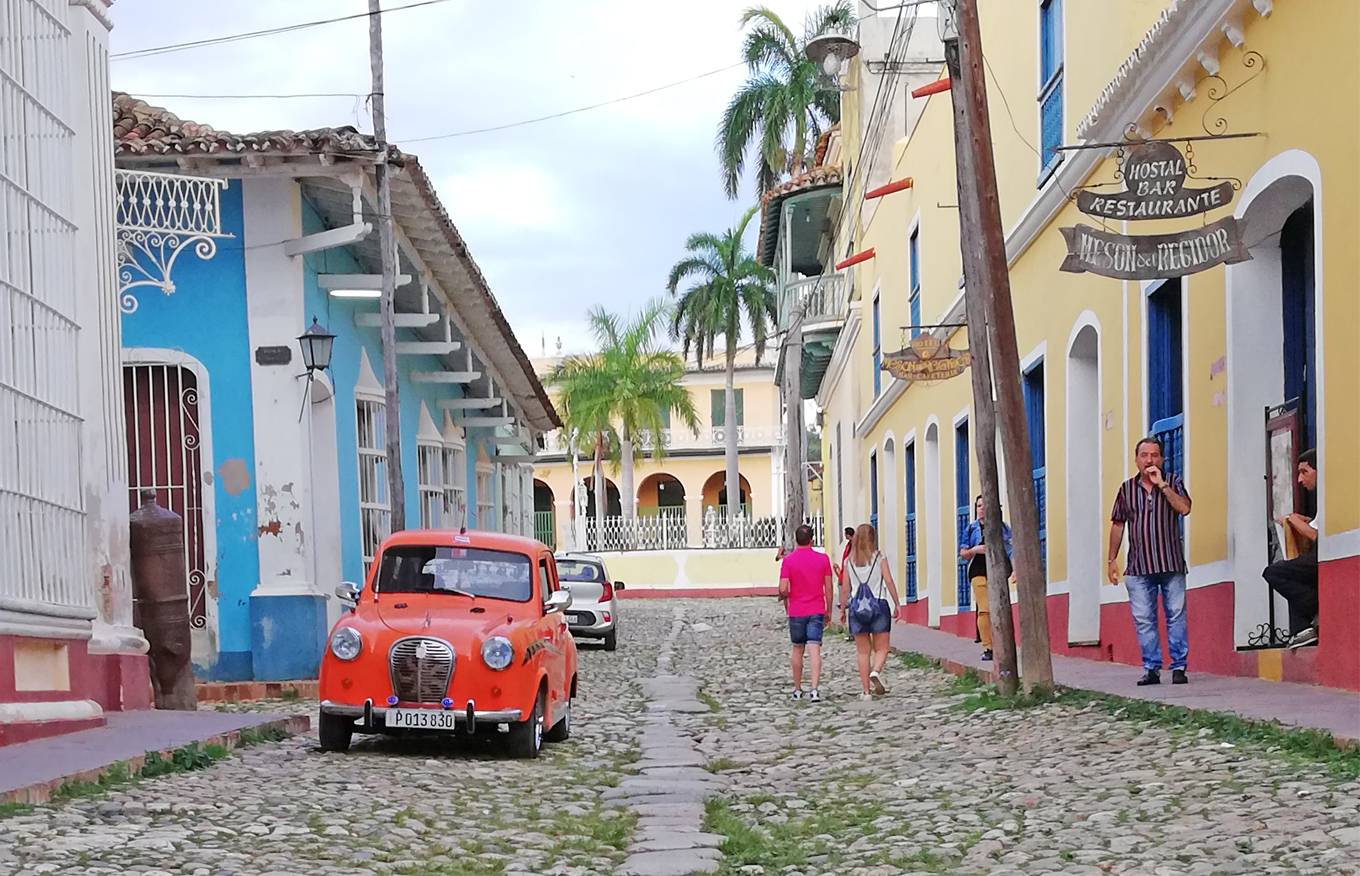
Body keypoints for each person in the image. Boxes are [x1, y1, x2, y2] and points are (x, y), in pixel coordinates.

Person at [1107, 436, 1193, 686]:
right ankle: (1151, 668)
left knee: (1176, 616)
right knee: (1144, 618)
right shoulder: (1126, 489)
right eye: (1144, 455)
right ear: (1136, 460)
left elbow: (1185, 509)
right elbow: (1118, 525)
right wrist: (1111, 559)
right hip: (1139, 566)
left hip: (1171, 562)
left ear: (1162, 459)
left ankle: (1178, 667)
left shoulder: (1174, 482)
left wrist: (1163, 486)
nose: (1149, 460)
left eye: (1154, 455)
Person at [838, 524, 901, 700]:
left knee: (862, 652)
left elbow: (845, 589)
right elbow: (888, 580)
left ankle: (866, 691)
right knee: (882, 648)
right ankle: (876, 670)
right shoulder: (879, 557)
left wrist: (842, 609)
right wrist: (897, 603)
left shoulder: (848, 561)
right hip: (879, 605)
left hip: (857, 609)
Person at [1264, 450, 1319, 648]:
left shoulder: (1329, 495)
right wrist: (1305, 522)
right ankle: (1301, 629)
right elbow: (1317, 527)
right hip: (1316, 557)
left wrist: (1293, 520)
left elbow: (1317, 536)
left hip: (1322, 556)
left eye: (1304, 472)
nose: (1299, 480)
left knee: (1274, 572)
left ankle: (1314, 608)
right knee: (1292, 577)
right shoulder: (1321, 498)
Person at [778, 524, 834, 702]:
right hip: (816, 608)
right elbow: (829, 587)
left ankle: (797, 688)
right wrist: (829, 610)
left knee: (797, 649)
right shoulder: (823, 559)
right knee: (814, 648)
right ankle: (815, 689)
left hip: (796, 610)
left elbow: (783, 587)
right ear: (812, 539)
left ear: (796, 539)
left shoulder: (789, 561)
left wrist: (786, 597)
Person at [959, 495, 1013, 662]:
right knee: (984, 609)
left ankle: (1002, 645)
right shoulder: (970, 529)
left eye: (984, 505)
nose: (981, 509)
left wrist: (1015, 569)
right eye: (979, 506)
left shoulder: (1002, 528)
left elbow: (1011, 550)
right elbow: (963, 554)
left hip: (997, 571)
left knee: (999, 608)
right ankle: (988, 647)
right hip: (978, 571)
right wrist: (975, 549)